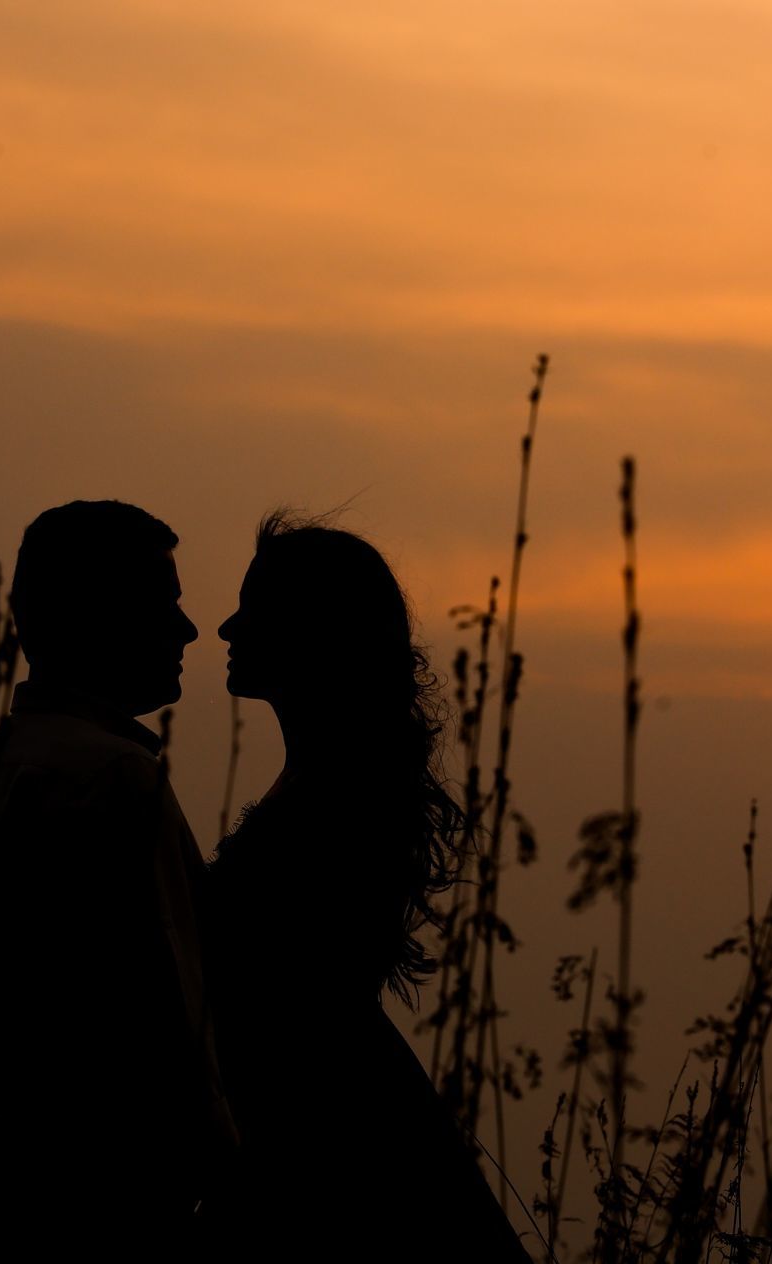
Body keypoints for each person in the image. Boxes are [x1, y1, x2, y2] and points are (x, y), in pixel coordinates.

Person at [206, 512, 530, 1259]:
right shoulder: (331, 785)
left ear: (309, 629)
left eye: (253, 611)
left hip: (326, 1135)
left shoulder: (334, 800)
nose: (226, 629)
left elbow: (291, 998)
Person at [0, 500, 236, 1237]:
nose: (187, 630)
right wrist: (228, 1168)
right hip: (106, 1199)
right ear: (103, 616)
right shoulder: (118, 780)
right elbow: (172, 1006)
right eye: (164, 605)